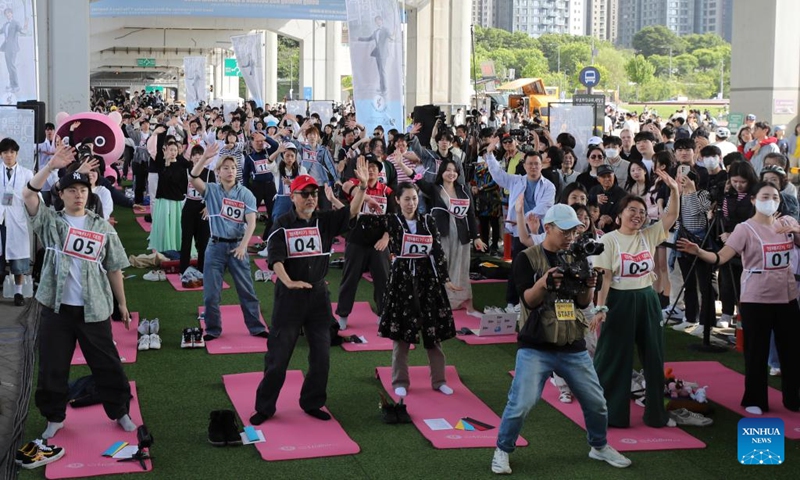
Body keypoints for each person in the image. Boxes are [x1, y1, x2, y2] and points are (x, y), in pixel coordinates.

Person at [491, 204, 631, 475]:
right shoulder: (527, 258)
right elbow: (528, 301)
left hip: (571, 342)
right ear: (548, 228)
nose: (570, 236)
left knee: (597, 402)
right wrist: (543, 282)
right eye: (565, 231)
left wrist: (589, 286)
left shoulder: (577, 256)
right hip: (536, 343)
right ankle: (502, 449)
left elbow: (581, 303)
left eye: (574, 231)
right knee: (521, 403)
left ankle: (599, 446)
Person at [23, 144, 136, 439]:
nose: (78, 195)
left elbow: (114, 267)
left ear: (90, 194)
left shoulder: (102, 227)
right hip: (55, 309)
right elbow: (28, 195)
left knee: (107, 363)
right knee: (52, 366)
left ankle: (120, 411)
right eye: (71, 190)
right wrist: (50, 167)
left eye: (83, 190)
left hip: (94, 307)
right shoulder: (50, 222)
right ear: (60, 195)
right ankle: (54, 417)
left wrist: (121, 304)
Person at [250, 161, 370, 424]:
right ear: (292, 196)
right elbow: (275, 259)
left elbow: (350, 212)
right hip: (289, 299)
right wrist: (288, 282)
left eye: (313, 194)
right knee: (278, 357)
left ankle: (313, 401)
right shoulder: (281, 223)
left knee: (322, 356)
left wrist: (362, 187)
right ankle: (265, 407)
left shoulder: (324, 221)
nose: (310, 198)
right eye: (304, 194)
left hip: (318, 299)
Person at [677, 182, 800, 415]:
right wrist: (698, 251)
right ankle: (755, 399)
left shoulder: (787, 223)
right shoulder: (745, 229)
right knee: (756, 351)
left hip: (787, 297)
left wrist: (796, 232)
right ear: (753, 200)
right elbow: (721, 257)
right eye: (765, 196)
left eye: (775, 196)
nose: (771, 200)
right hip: (757, 299)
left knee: (791, 351)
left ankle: (793, 398)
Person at [591, 170, 681, 428]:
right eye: (632, 210)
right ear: (619, 214)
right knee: (614, 358)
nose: (637, 215)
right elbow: (605, 278)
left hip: (647, 300)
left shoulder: (649, 235)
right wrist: (601, 308)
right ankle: (610, 414)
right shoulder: (608, 240)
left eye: (641, 212)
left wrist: (674, 189)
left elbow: (672, 215)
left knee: (654, 356)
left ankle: (656, 414)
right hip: (619, 302)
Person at [356, 182, 460, 398]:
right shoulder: (391, 221)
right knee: (401, 336)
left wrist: (445, 278)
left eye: (414, 198)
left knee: (433, 333)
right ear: (398, 201)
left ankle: (439, 380)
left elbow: (437, 250)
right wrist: (360, 196)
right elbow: (361, 222)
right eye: (407, 199)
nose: (411, 203)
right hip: (402, 281)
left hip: (428, 282)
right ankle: (400, 380)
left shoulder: (427, 220)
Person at [188, 145, 268, 341]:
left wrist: (243, 246)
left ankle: (256, 327)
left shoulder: (246, 194)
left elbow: (251, 222)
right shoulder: (212, 190)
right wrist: (204, 157)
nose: (230, 171)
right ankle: (213, 329)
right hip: (215, 246)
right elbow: (193, 178)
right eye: (225, 168)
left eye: (233, 168)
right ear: (218, 172)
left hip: (237, 246)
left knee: (247, 290)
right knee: (211, 294)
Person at [400, 158, 486, 315]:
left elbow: (471, 214)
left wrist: (477, 236)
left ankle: (465, 302)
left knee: (461, 268)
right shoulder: (434, 189)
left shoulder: (464, 189)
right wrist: (401, 165)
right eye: (448, 170)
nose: (451, 173)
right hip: (442, 234)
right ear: (442, 172)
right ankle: (439, 300)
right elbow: (416, 179)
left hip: (462, 236)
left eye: (454, 170)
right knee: (441, 266)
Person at [485, 140, 556, 312]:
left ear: (542, 166)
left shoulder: (549, 186)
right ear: (524, 166)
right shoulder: (516, 181)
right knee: (517, 266)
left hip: (540, 233)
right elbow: (497, 175)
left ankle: (538, 302)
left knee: (540, 266)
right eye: (530, 164)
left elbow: (543, 207)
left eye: (536, 164)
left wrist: (520, 218)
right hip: (519, 233)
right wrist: (489, 154)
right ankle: (512, 302)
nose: (533, 167)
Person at [335, 154, 394, 330]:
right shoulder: (355, 184)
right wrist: (363, 190)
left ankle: (383, 313)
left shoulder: (387, 191)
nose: (371, 171)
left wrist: (386, 238)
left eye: (374, 168)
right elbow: (346, 186)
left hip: (379, 243)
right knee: (350, 279)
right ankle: (343, 315)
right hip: (356, 240)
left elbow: (393, 218)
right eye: (367, 167)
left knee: (383, 279)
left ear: (379, 172)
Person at [0, 138, 33, 306]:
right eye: (5, 152)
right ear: (1, 154)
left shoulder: (26, 173)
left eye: (12, 152)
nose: (8, 155)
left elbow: (33, 196)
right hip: (0, 217)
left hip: (16, 218)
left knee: (19, 258)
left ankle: (18, 293)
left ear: (17, 154)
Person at [357, 15, 391, 95]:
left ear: (381, 21)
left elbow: (391, 36)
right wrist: (359, 38)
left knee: (382, 71)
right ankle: (382, 87)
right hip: (377, 53)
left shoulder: (386, 30)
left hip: (383, 53)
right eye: (376, 21)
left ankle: (385, 89)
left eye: (378, 20)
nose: (377, 22)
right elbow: (369, 38)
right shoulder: (376, 32)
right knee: (380, 71)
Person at [0, 8, 27, 93]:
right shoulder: (5, 25)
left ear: (11, 14)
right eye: (6, 14)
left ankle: (16, 86)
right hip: (6, 48)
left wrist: (25, 28)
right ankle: (11, 84)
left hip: (13, 48)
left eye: (8, 13)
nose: (7, 15)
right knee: (9, 67)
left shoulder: (15, 23)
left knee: (12, 66)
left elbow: (21, 30)